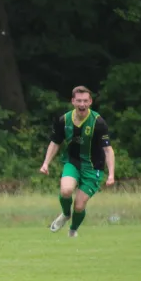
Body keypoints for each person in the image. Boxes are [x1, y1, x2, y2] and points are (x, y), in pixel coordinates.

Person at [40, 85, 115, 237]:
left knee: (79, 206)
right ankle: (66, 214)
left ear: (90, 102)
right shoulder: (64, 120)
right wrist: (46, 163)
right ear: (73, 101)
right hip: (72, 162)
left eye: (85, 101)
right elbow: (55, 142)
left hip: (94, 167)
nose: (82, 104)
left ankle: (73, 230)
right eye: (79, 101)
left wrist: (111, 174)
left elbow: (108, 150)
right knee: (66, 190)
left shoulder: (98, 123)